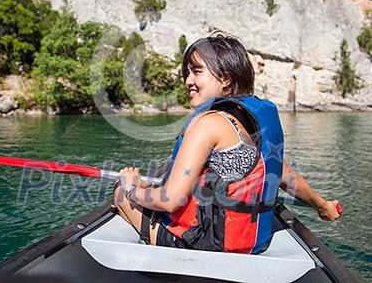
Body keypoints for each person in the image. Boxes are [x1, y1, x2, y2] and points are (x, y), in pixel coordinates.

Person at [114, 33, 341, 253]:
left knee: (120, 193)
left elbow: (171, 200)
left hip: (207, 246)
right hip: (254, 243)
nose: (188, 81)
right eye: (187, 73)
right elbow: (283, 174)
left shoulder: (209, 122)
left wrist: (133, 187)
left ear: (225, 79)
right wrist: (323, 206)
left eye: (197, 71)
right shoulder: (252, 118)